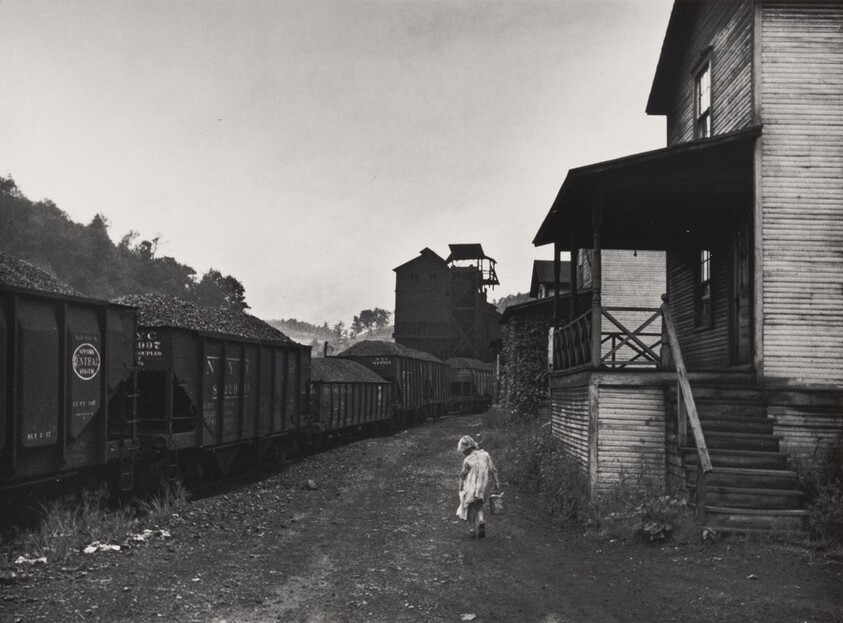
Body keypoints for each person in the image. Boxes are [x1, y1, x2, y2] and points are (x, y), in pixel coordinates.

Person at [456, 435, 500, 539]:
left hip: (470, 486)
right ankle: (481, 520)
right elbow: (493, 470)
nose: (463, 453)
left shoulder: (468, 460)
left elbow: (463, 475)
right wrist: (497, 482)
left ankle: (472, 529)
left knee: (470, 506)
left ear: (467, 448)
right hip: (482, 485)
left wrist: (460, 488)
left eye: (463, 451)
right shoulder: (485, 455)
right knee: (479, 505)